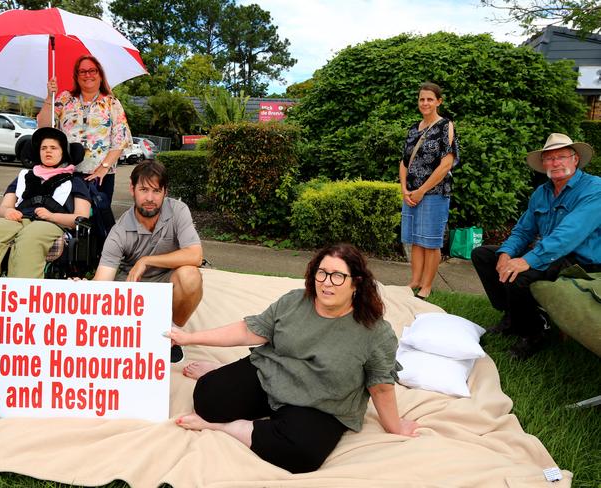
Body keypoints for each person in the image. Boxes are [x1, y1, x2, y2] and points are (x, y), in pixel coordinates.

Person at [167, 243, 419, 474]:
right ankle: (224, 373)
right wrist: (190, 338)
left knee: (302, 454)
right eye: (322, 273)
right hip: (273, 373)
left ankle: (224, 428)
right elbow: (248, 331)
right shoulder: (294, 302)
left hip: (323, 401)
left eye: (338, 276)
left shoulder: (375, 332)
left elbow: (382, 387)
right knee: (207, 398)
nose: (327, 283)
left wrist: (395, 426)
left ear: (356, 283)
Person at [471, 133, 601, 360]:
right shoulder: (542, 193)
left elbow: (568, 235)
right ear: (543, 164)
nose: (556, 163)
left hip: (581, 260)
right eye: (549, 158)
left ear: (575, 159)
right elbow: (523, 230)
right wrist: (506, 253)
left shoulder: (594, 189)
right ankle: (512, 316)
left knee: (519, 275)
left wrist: (525, 260)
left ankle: (534, 333)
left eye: (562, 156)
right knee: (483, 255)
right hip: (550, 253)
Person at [93, 161, 203, 362]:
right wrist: (81, 291)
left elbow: (196, 255)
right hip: (132, 287)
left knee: (190, 275)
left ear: (165, 192)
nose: (150, 198)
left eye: (156, 191)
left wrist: (146, 260)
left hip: (166, 279)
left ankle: (172, 335)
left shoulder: (178, 210)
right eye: (143, 190)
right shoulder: (119, 232)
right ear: (132, 189)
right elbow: (102, 281)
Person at [0, 127, 91, 278]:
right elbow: (4, 207)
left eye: (53, 148)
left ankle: (22, 293)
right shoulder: (23, 176)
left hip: (51, 223)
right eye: (43, 148)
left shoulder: (75, 181)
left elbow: (81, 218)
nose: (48, 151)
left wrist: (51, 216)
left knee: (29, 240)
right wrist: (8, 211)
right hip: (18, 219)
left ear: (64, 152)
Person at [37, 55, 132, 204]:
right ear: (77, 76)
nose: (88, 75)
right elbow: (43, 126)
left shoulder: (111, 103)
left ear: (100, 74)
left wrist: (103, 168)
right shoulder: (64, 98)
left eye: (92, 70)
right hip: (66, 173)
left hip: (100, 176)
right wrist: (50, 97)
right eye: (82, 71)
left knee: (97, 222)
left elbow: (120, 139)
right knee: (66, 219)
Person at [399, 82, 459, 300]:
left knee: (430, 241)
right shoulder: (413, 128)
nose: (425, 103)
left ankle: (427, 285)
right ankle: (415, 280)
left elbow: (446, 164)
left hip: (434, 193)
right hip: (411, 194)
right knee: (415, 239)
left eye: (430, 99)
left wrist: (422, 190)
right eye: (422, 99)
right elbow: (404, 161)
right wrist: (405, 189)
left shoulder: (445, 126)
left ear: (438, 102)